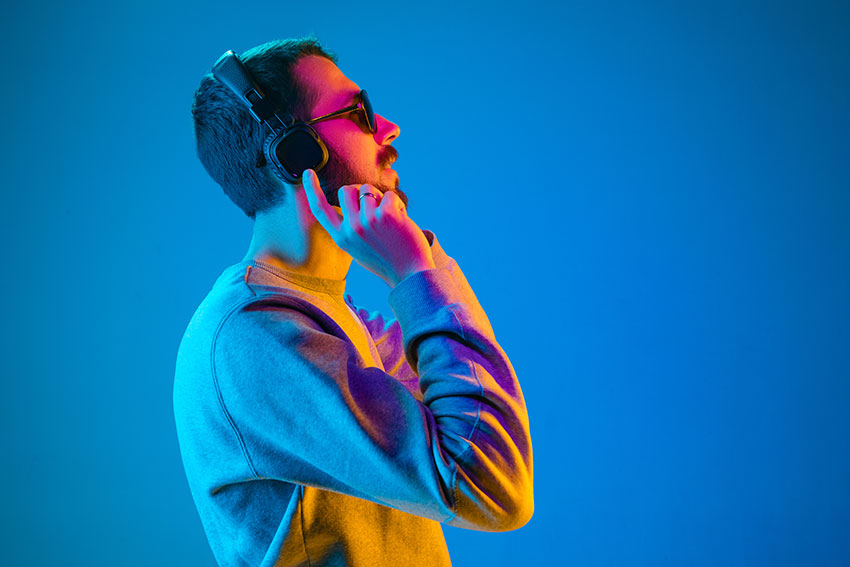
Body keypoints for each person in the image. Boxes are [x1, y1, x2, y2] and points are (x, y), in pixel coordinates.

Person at [173, 37, 534, 567]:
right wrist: (412, 273)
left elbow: (477, 423)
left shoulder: (334, 320)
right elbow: (489, 482)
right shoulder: (250, 337)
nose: (389, 128)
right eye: (359, 114)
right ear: (294, 151)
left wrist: (422, 262)